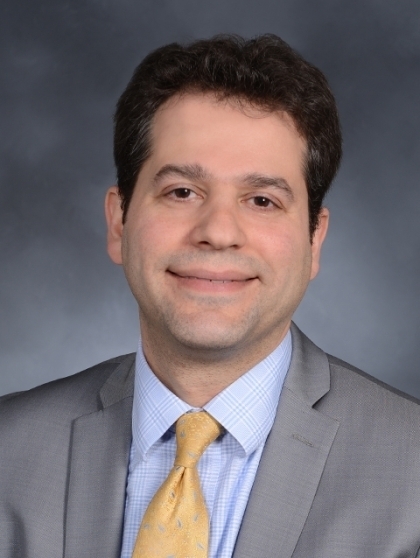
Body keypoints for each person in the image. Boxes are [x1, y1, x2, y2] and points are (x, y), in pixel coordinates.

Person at [1, 34, 420, 558]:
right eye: (182, 192)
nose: (218, 232)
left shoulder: (412, 475)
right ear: (118, 222)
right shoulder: (8, 451)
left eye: (262, 200)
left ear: (314, 240)